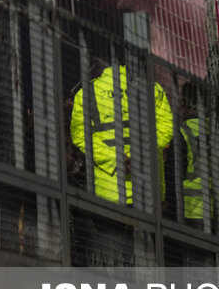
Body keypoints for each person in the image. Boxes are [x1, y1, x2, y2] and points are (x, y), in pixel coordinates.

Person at [70, 64, 173, 205]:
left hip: (109, 192)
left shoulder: (86, 93)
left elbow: (80, 136)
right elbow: (166, 128)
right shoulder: (152, 89)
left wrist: (117, 159)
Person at [178, 82, 210, 226]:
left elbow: (177, 171)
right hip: (217, 209)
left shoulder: (184, 131)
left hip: (190, 209)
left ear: (185, 102)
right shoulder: (215, 130)